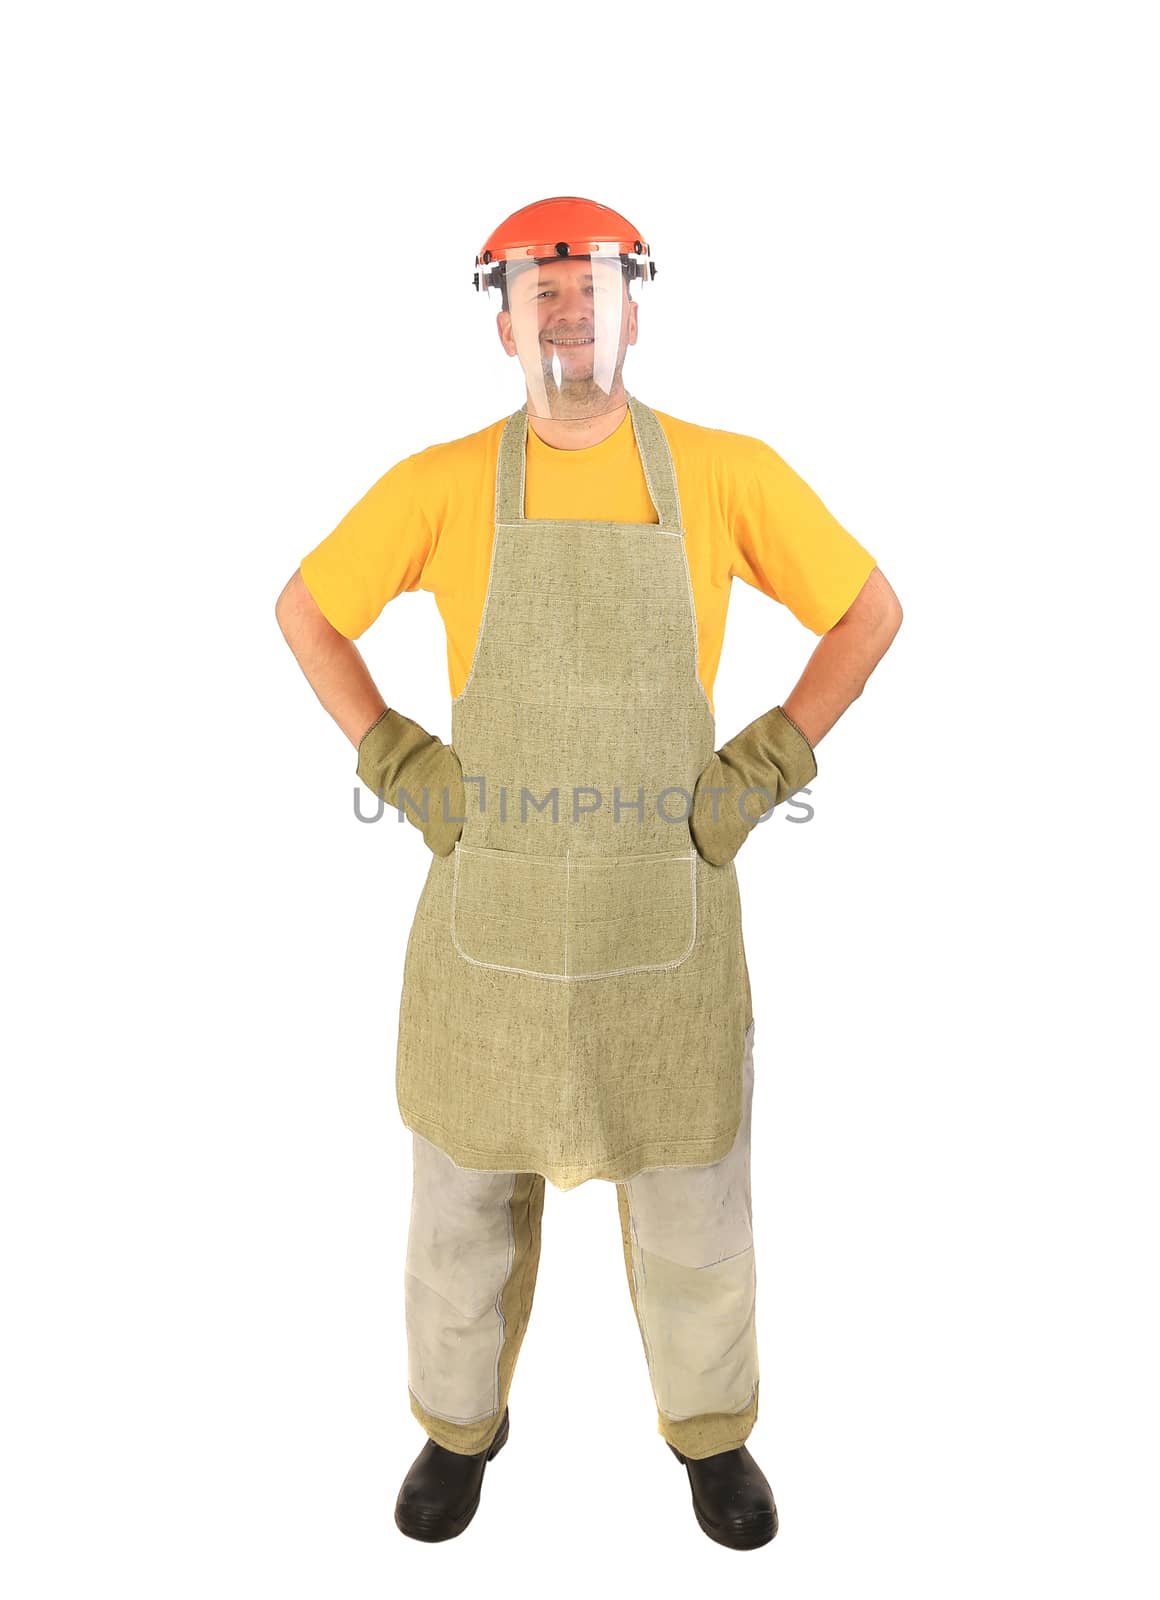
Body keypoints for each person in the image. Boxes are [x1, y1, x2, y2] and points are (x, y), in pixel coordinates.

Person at [275, 196, 903, 1550]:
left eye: (593, 282)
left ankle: (712, 1439)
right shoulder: (441, 484)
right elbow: (307, 610)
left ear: (635, 304)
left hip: (659, 922)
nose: (570, 306)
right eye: (541, 287)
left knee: (696, 1212)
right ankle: (457, 1431)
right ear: (502, 316)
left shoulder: (727, 475)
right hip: (488, 926)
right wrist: (394, 756)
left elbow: (869, 610)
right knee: (459, 1219)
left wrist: (768, 764)